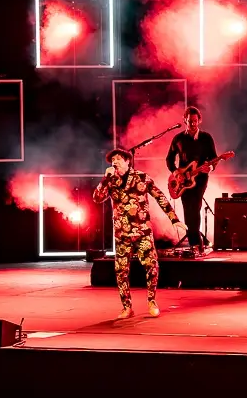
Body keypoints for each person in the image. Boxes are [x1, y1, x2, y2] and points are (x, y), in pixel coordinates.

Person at [93, 148, 187, 319]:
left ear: (127, 161)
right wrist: (105, 179)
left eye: (119, 159)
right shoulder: (110, 181)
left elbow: (160, 197)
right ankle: (127, 307)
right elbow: (97, 198)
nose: (115, 162)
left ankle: (152, 301)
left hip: (142, 231)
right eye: (113, 160)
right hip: (122, 234)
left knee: (151, 267)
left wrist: (174, 219)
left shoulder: (141, 177)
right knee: (121, 271)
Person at [166, 106, 220, 258]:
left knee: (195, 208)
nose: (193, 124)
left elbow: (214, 158)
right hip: (183, 181)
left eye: (195, 121)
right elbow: (169, 159)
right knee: (187, 210)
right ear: (185, 120)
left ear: (199, 120)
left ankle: (196, 244)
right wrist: (176, 172)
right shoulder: (178, 138)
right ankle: (194, 244)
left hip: (200, 179)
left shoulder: (206, 138)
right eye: (190, 121)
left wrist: (210, 167)